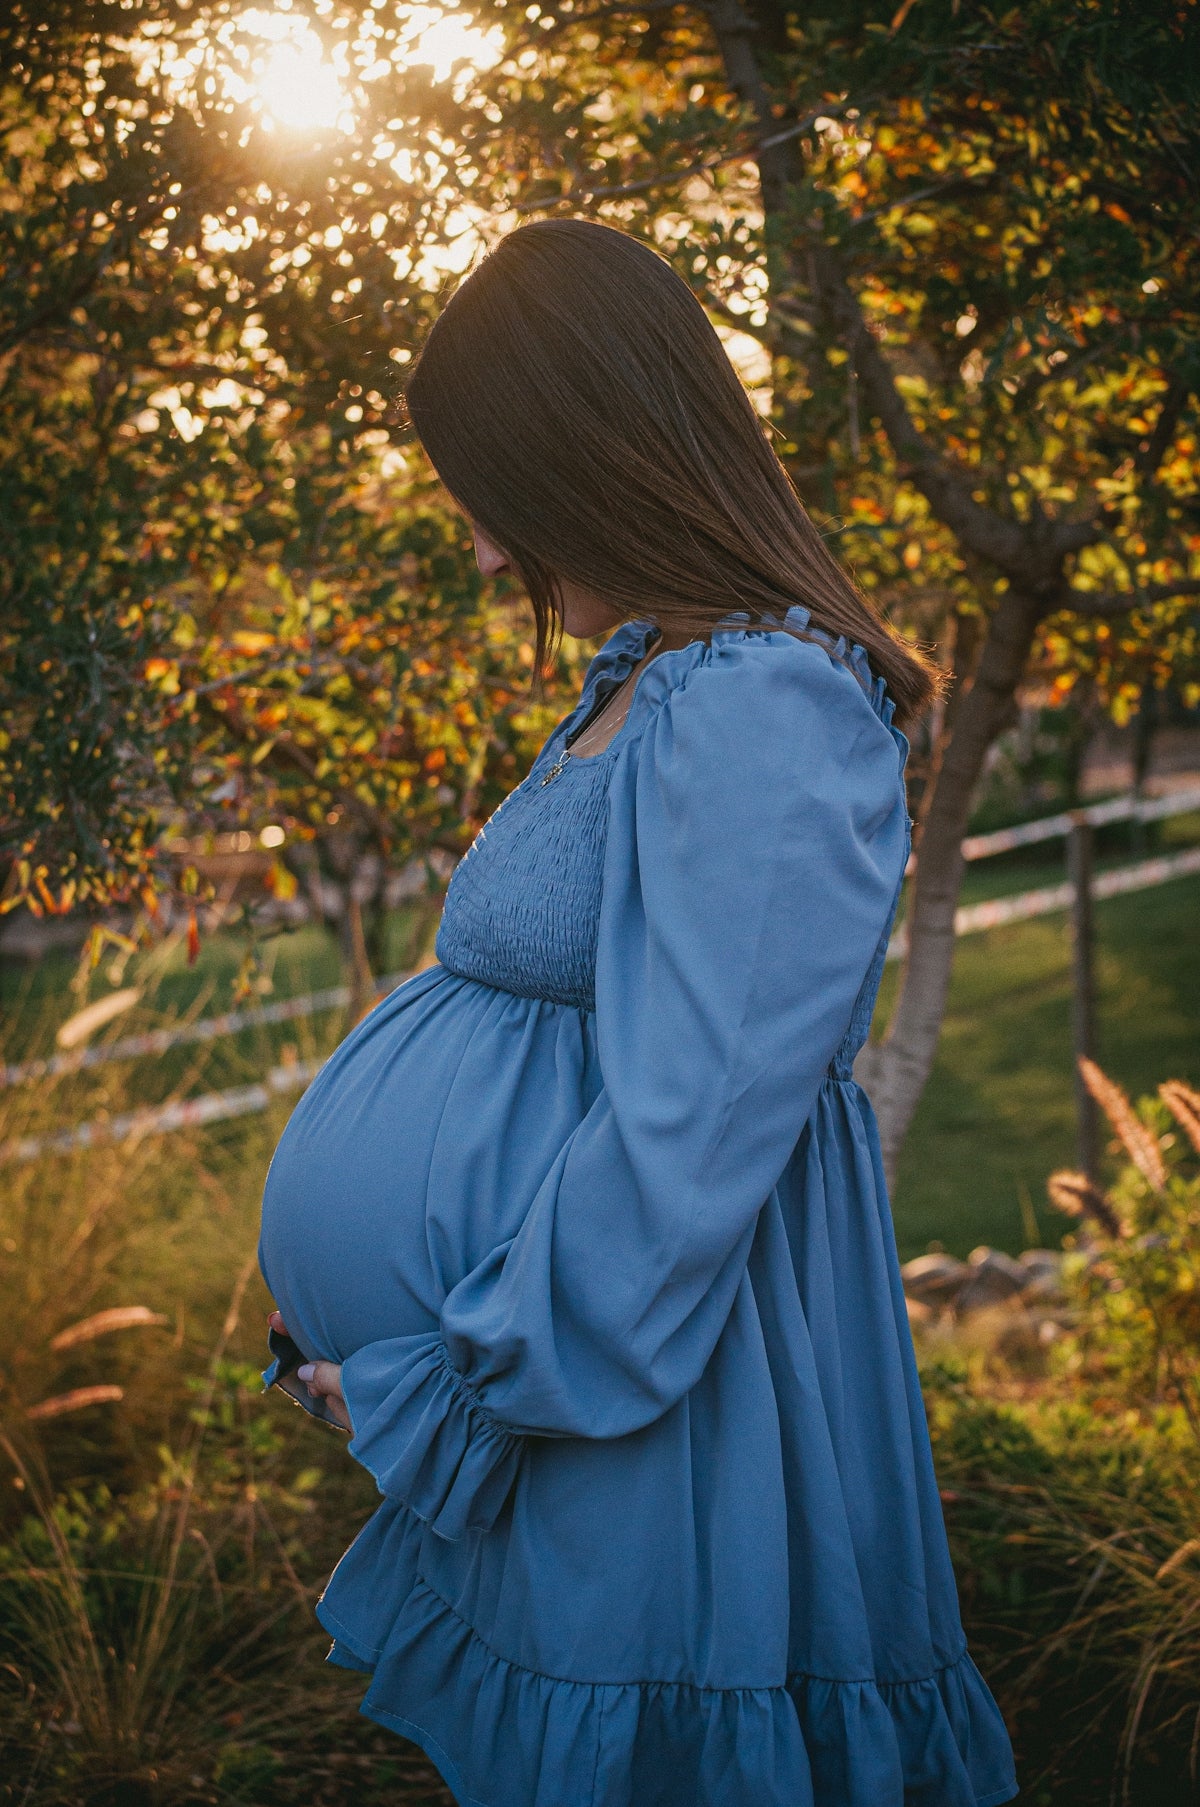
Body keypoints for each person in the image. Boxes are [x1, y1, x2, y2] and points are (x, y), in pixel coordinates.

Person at [258, 217, 1019, 1807]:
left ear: (577, 461)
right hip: (585, 1396)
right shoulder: (651, 680)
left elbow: (691, 1136)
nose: (479, 549)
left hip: (662, 1413)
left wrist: (453, 1378)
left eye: (487, 492)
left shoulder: (769, 706)